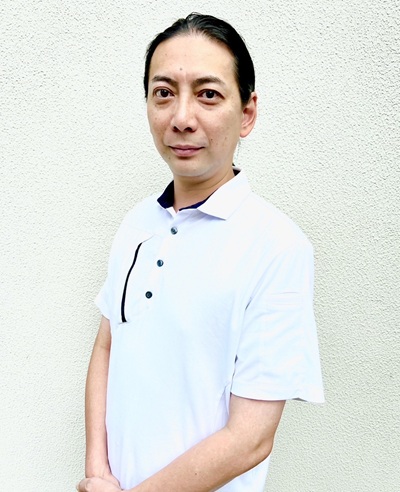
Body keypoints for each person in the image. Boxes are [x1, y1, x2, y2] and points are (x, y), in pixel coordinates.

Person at [77, 12, 324, 492]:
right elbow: (108, 344)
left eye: (208, 94)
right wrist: (97, 472)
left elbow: (251, 439)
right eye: (163, 93)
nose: (182, 118)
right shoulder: (137, 223)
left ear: (247, 112)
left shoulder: (277, 246)